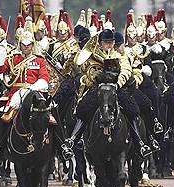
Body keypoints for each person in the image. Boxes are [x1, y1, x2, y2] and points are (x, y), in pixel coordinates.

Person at [62, 28, 154, 159]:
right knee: (83, 108)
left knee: (132, 109)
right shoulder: (92, 56)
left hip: (116, 88)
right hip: (98, 88)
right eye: (106, 42)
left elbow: (126, 70)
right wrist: (95, 76)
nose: (109, 45)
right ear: (100, 43)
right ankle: (72, 140)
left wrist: (118, 83)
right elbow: (86, 72)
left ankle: (140, 143)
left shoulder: (119, 55)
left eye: (111, 42)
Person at [0, 25, 62, 163]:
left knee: (53, 110)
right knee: (4, 116)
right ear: (19, 44)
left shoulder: (39, 60)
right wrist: (2, 51)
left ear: (33, 45)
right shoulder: (13, 59)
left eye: (29, 45)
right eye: (23, 45)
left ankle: (62, 146)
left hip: (35, 92)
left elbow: (44, 78)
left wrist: (33, 88)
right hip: (16, 93)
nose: (26, 48)